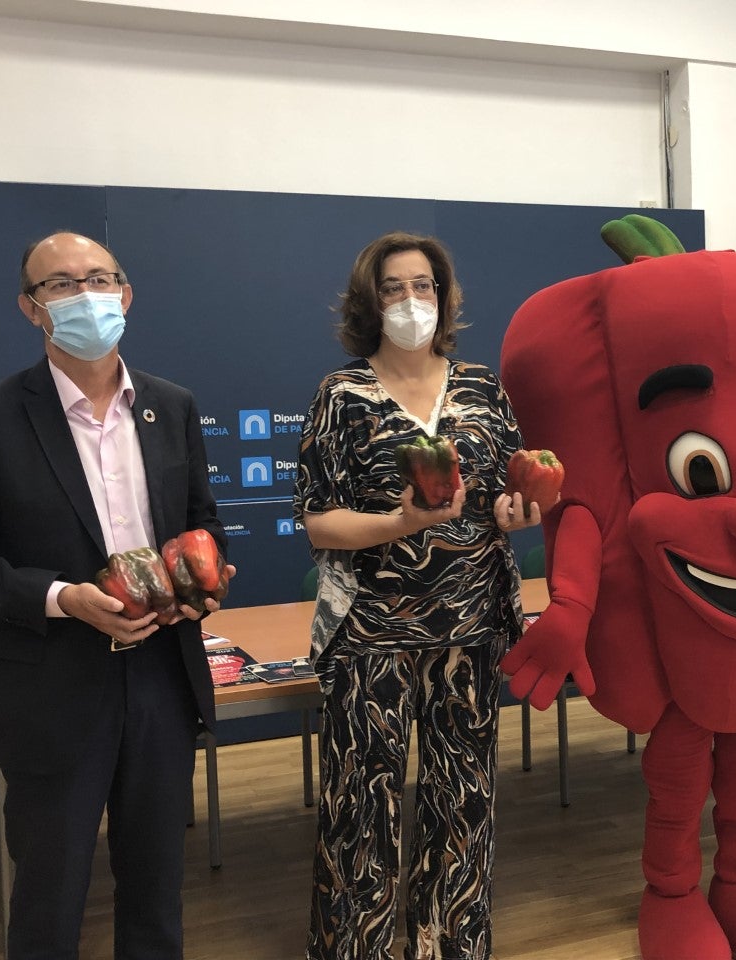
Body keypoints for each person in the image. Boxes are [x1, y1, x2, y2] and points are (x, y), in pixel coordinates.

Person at [0, 231, 233, 959]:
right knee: (49, 898)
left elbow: (203, 524)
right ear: (32, 309)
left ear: (126, 295)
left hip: (163, 678)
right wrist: (64, 597)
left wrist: (207, 582)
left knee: (157, 894)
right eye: (61, 285)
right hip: (51, 688)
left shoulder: (172, 405)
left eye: (100, 278)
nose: (85, 294)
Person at [294, 231, 538, 960]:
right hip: (370, 636)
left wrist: (515, 512)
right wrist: (399, 522)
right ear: (371, 301)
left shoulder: (481, 388)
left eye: (424, 286)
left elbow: (505, 495)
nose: (411, 301)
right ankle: (355, 948)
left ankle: (449, 944)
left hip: (469, 629)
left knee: (463, 800)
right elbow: (318, 521)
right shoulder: (343, 396)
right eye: (395, 288)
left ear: (445, 296)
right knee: (359, 807)